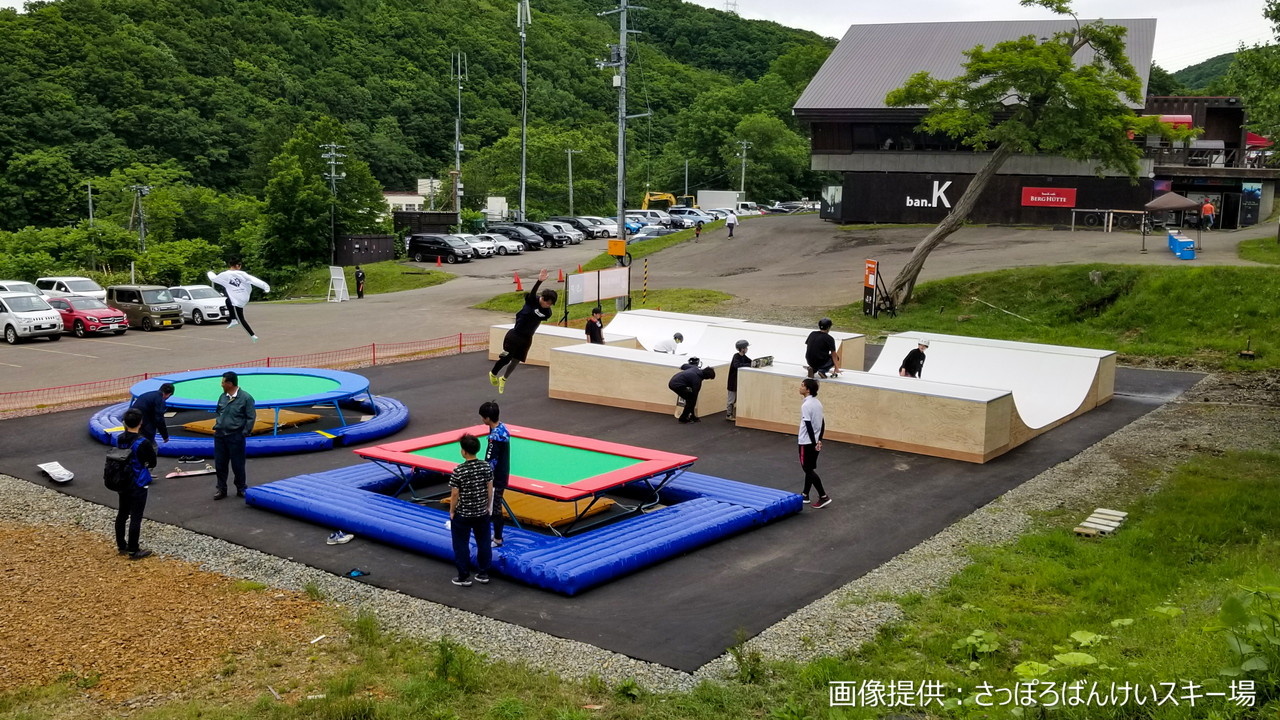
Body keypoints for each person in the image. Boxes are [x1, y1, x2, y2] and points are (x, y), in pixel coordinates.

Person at [489, 268, 555, 394]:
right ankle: (493, 373)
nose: (549, 306)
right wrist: (539, 281)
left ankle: (504, 379)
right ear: (543, 299)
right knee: (506, 359)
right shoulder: (532, 300)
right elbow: (532, 294)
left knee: (516, 360)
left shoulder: (547, 312)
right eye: (549, 303)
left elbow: (544, 315)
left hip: (527, 337)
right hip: (516, 334)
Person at [448, 433, 494, 586]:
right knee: (484, 542)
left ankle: (463, 576)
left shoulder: (459, 470)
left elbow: (455, 493)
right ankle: (483, 573)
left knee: (461, 544)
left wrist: (452, 511)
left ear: (464, 451)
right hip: (481, 512)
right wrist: (488, 506)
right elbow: (489, 488)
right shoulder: (485, 466)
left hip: (464, 513)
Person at [114, 407, 157, 560]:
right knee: (136, 516)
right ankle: (134, 549)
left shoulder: (120, 438)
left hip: (122, 480)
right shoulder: (142, 442)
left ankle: (121, 544)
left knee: (122, 513)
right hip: (137, 481)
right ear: (140, 423)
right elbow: (153, 461)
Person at [212, 371, 255, 500]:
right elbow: (218, 411)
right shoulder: (222, 396)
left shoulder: (246, 398)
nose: (221, 384)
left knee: (238, 464)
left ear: (230, 384)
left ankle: (241, 488)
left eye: (223, 382)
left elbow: (251, 417)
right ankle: (221, 489)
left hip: (235, 436)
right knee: (220, 464)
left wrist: (244, 432)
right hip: (220, 435)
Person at [207, 259, 271, 342]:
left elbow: (213, 278)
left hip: (237, 299)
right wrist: (266, 287)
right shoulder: (242, 274)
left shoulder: (224, 275)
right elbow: (254, 280)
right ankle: (233, 319)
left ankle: (252, 335)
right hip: (243, 297)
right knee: (227, 301)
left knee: (241, 318)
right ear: (237, 265)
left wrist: (210, 272)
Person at [478, 401, 510, 548]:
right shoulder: (501, 428)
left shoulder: (495, 437)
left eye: (483, 417)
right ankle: (496, 535)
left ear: (487, 418)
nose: (482, 420)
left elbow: (491, 459)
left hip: (496, 477)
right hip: (502, 473)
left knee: (494, 507)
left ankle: (498, 539)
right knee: (493, 505)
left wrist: (484, 475)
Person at [797, 378, 831, 509]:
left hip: (806, 442)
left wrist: (813, 442)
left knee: (807, 469)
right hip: (815, 442)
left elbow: (808, 425)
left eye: (802, 385)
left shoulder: (806, 405)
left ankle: (823, 496)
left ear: (808, 389)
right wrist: (819, 440)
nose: (800, 387)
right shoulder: (818, 403)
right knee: (809, 468)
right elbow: (822, 423)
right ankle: (805, 494)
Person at [130, 382, 174, 450]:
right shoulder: (160, 400)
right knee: (152, 446)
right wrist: (165, 436)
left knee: (134, 441)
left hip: (130, 418)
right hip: (143, 422)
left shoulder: (147, 394)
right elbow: (159, 419)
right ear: (169, 394)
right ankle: (149, 459)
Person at [726, 339, 751, 421]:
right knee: (731, 399)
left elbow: (750, 361)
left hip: (738, 382)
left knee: (736, 399)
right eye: (746, 348)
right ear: (742, 349)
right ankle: (729, 415)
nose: (747, 349)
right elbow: (737, 365)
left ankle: (733, 414)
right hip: (733, 382)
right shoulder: (736, 356)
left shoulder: (743, 357)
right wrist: (748, 365)